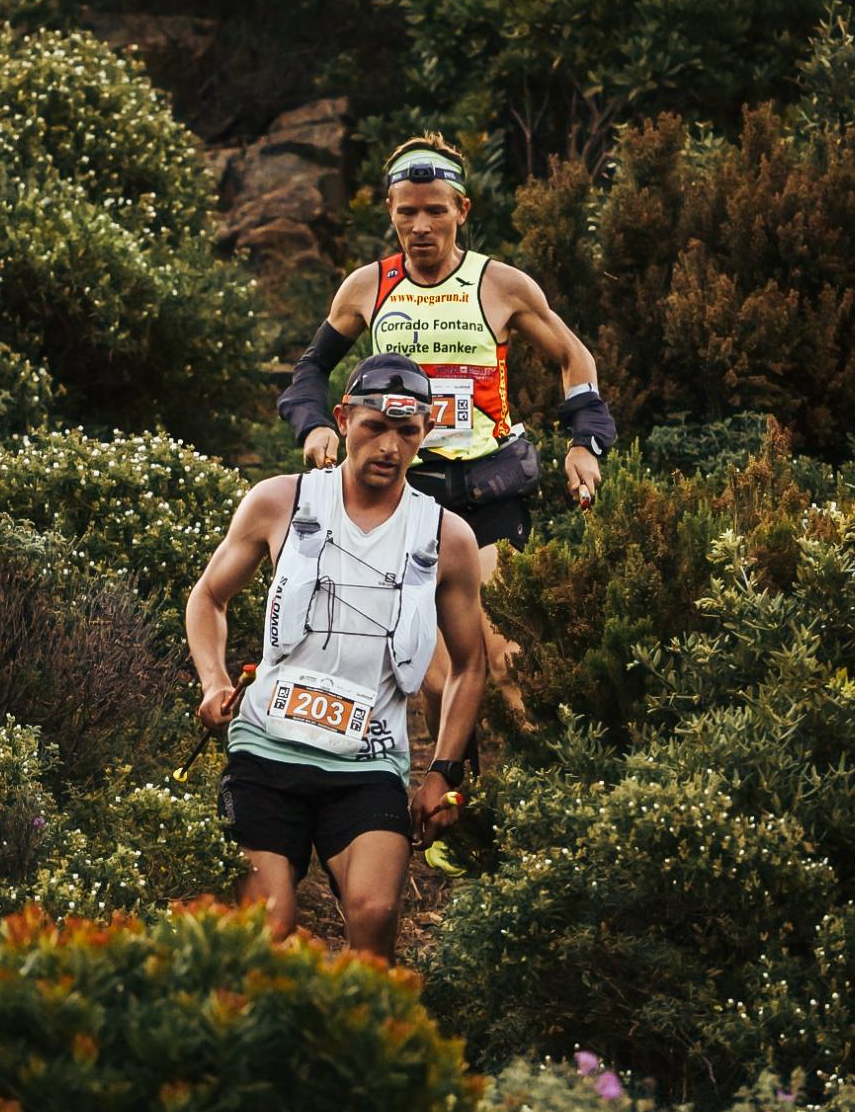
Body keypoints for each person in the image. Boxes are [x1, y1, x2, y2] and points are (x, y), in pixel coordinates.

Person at [278, 131, 617, 724]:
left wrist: (585, 442)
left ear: (462, 210)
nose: (421, 227)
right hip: (408, 496)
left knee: (503, 660)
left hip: (489, 490)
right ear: (391, 210)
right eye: (407, 212)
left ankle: (534, 778)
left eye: (436, 211)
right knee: (434, 679)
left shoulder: (501, 285)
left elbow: (574, 357)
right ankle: (447, 780)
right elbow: (311, 370)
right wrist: (314, 427)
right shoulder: (367, 287)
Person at [186, 353, 485, 963]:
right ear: (344, 419)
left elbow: (470, 664)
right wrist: (213, 682)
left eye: (407, 431)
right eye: (374, 426)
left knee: (375, 917)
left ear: (427, 431)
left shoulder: (446, 537)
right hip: (266, 751)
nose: (389, 447)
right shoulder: (280, 501)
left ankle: (360, 1023)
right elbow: (208, 598)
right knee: (264, 931)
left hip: (369, 762)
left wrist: (443, 772)